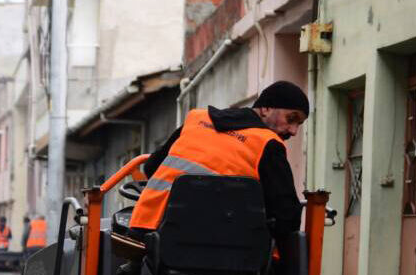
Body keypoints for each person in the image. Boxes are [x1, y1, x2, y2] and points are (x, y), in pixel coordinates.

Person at [127, 80, 307, 245]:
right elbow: (286, 216)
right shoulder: (268, 144)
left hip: (148, 236)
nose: (293, 131)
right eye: (291, 119)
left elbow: (151, 167)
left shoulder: (197, 119)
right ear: (266, 108)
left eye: (299, 124)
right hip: (220, 252)